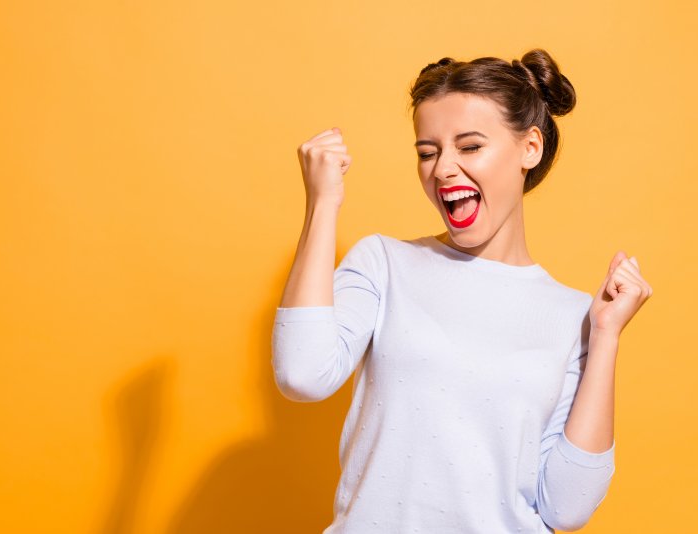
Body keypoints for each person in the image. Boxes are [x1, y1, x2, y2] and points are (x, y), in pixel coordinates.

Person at [272, 48, 652, 533]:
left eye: (470, 147)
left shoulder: (576, 316)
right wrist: (323, 203)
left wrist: (606, 338)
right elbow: (302, 374)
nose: (443, 169)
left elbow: (567, 508)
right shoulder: (384, 264)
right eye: (427, 152)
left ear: (529, 148)